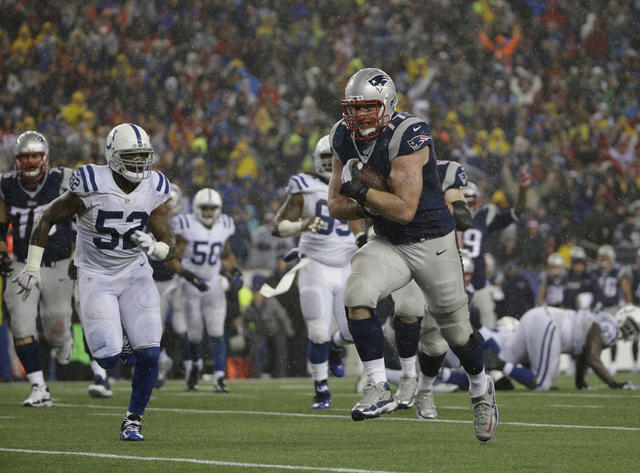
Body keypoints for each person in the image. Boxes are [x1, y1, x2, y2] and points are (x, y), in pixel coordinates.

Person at [327, 67, 497, 441]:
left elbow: (405, 208)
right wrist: (366, 202)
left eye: (366, 109)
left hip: (432, 241)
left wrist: (363, 194)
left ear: (387, 106)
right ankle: (377, 386)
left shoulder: (409, 134)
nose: (356, 118)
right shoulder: (341, 136)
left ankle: (481, 388)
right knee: (356, 293)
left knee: (457, 333)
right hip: (389, 240)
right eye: (352, 109)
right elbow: (336, 206)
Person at [13, 123, 176, 441]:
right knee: (107, 356)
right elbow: (46, 217)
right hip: (95, 274)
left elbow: (168, 238)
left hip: (135, 272)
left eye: (144, 157)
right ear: (114, 157)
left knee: (150, 355)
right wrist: (33, 266)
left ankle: (133, 419)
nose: (140, 164)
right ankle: (122, 345)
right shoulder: (90, 180)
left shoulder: (155, 185)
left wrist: (157, 248)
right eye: (132, 157)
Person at [271, 134, 364, 409]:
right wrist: (300, 225)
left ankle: (336, 348)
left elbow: (358, 218)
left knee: (352, 332)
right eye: (326, 159)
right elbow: (277, 226)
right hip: (315, 265)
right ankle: (321, 388)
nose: (330, 164)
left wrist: (362, 242)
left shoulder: (352, 182)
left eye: (334, 159)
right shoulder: (305, 185)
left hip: (347, 265)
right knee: (318, 332)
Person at [1, 131, 75, 407]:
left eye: (34, 156)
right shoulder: (6, 184)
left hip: (57, 262)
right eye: (24, 157)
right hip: (22, 262)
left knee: (56, 323)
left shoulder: (62, 179)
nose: (30, 161)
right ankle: (38, 386)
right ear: (16, 159)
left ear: (45, 158)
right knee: (21, 322)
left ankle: (61, 338)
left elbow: (83, 209)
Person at [166, 187, 242, 393]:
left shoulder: (224, 225)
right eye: (204, 208)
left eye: (212, 208)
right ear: (196, 208)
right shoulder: (185, 225)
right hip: (191, 284)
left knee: (217, 332)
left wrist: (235, 270)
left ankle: (219, 377)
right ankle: (194, 367)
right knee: (195, 333)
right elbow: (172, 257)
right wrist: (188, 276)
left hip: (213, 284)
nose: (208, 212)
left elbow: (226, 254)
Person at [480, 306, 638, 391]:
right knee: (542, 384)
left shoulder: (605, 318)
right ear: (623, 315)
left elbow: (584, 353)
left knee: (491, 371)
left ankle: (465, 372)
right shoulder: (610, 328)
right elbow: (592, 357)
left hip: (537, 316)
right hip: (549, 324)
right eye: (632, 325)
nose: (631, 331)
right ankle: (498, 363)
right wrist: (613, 383)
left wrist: (580, 382)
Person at [460, 167, 530, 329]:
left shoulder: (484, 217)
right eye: (465, 199)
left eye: (471, 199)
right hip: (453, 280)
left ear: (478, 201)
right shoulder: (447, 214)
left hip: (477, 281)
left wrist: (523, 190)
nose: (468, 204)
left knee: (487, 325)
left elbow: (517, 213)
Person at [151, 183, 188, 389]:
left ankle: (190, 366)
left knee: (184, 326)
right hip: (154, 279)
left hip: (176, 279)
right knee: (156, 328)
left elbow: (180, 253)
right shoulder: (149, 218)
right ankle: (161, 363)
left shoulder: (183, 223)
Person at [590, 244, 632, 375]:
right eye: (600, 257)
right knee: (594, 337)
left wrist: (628, 305)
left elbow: (626, 289)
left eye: (605, 257)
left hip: (613, 307)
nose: (602, 260)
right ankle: (595, 362)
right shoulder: (594, 272)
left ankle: (613, 363)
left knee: (612, 335)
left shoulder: (618, 270)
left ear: (612, 258)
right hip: (598, 308)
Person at [243, 274, 294, 377]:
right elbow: (246, 321)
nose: (256, 295)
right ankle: (257, 374)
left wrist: (289, 331)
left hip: (276, 331)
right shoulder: (251, 307)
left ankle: (280, 374)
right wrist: (248, 334)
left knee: (280, 351)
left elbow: (282, 316)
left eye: (258, 292)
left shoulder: (271, 302)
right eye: (255, 292)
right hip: (261, 333)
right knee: (256, 349)